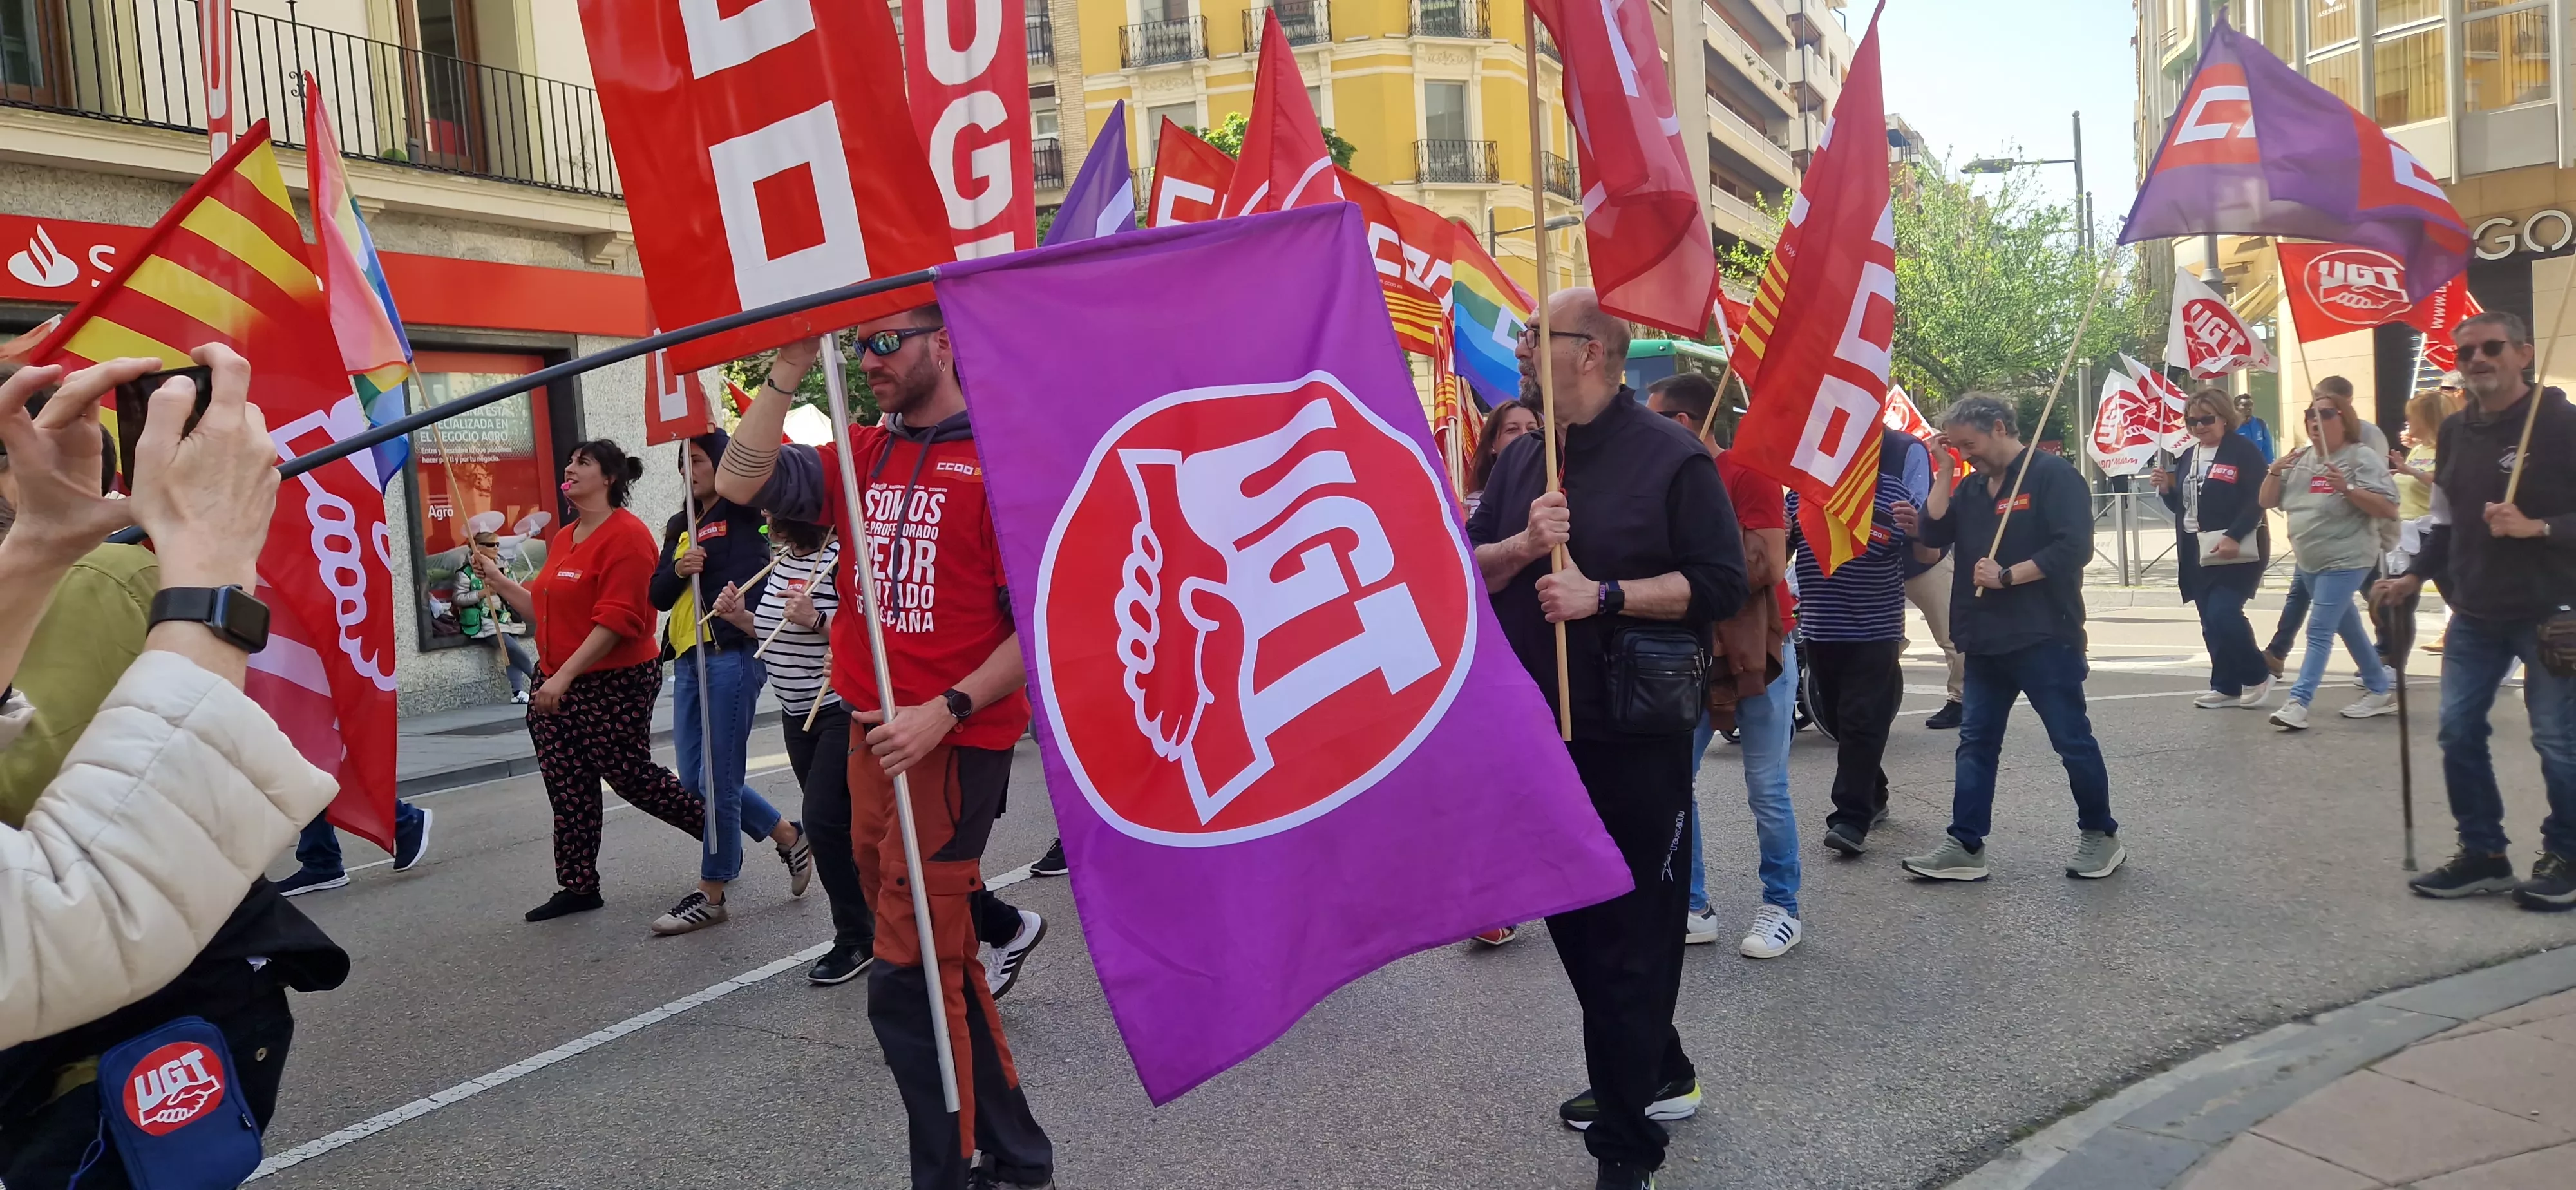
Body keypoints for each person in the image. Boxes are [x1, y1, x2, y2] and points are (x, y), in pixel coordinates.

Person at [0, 350, 350, 1186]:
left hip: (157, 998)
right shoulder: (140, 576)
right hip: (119, 982)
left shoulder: (111, 576)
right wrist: (214, 576)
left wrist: (36, 552)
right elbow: (59, 915)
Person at [721, 315, 1054, 1190]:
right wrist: (790, 365)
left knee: (905, 977)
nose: (867, 362)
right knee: (936, 961)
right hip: (870, 735)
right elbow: (740, 479)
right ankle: (1019, 1160)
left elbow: (1040, 623)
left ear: (943, 344)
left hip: (951, 744)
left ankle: (949, 1172)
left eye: (887, 342)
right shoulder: (861, 450)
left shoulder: (1003, 456)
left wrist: (945, 710)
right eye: (858, 344)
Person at [1465, 289, 1747, 1190]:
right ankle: (1649, 1065)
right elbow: (1468, 564)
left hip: (1636, 734)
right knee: (1577, 922)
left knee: (1633, 929)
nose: (1518, 351)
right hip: (1536, 731)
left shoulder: (1673, 458)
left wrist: (1607, 595)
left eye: (1535, 338)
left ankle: (1627, 1144)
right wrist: (1520, 544)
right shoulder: (1522, 462)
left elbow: (1719, 582)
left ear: (1591, 351)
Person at [473, 440, 735, 924]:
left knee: (632, 778)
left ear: (609, 478)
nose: (569, 469)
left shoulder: (627, 536)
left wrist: (565, 678)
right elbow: (543, 610)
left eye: (582, 463)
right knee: (568, 785)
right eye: (569, 460)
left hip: (612, 681)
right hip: (556, 679)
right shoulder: (564, 537)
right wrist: (499, 581)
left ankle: (723, 842)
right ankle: (577, 885)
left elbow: (617, 621)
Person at [2379, 312, 2576, 909]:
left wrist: (2539, 527)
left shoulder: (2563, 424)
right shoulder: (2459, 431)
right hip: (2474, 611)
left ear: (2523, 353)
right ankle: (2483, 854)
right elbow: (2442, 519)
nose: (2478, 359)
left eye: (2492, 348)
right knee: (2458, 730)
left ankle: (2566, 854)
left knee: (2556, 740)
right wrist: (2415, 575)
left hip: (2550, 613)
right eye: (2467, 352)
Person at [1904, 395, 2123, 882]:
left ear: (2000, 428)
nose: (1965, 454)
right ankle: (1965, 843)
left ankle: (2100, 834)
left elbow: (2073, 547)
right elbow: (1933, 530)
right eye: (1956, 446)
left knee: (2071, 740)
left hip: (2044, 634)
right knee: (1976, 743)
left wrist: (2008, 576)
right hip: (1984, 639)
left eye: (1969, 444)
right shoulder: (1972, 487)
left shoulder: (2051, 475)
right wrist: (1943, 472)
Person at [1645, 374, 1801, 960]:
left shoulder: (1747, 471)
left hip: (1756, 651)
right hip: (1690, 653)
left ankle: (1782, 907)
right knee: (1672, 782)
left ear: (1682, 423)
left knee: (1766, 786)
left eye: (1654, 416)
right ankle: (1693, 903)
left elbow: (1768, 563)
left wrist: (1690, 558)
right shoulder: (1669, 479)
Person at [647, 430, 812, 935]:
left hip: (733, 654)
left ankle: (712, 892)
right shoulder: (682, 523)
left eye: (696, 459)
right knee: (697, 780)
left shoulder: (743, 514)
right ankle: (788, 835)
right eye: (681, 461)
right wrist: (680, 566)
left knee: (720, 778)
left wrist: (703, 426)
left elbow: (753, 472)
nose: (686, 469)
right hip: (687, 660)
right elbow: (656, 594)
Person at [723, 513, 873, 982]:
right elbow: (772, 631)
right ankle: (875, 923)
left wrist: (819, 620)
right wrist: (739, 618)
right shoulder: (786, 560)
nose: (766, 519)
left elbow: (871, 635)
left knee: (825, 824)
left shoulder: (842, 561)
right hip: (795, 713)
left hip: (835, 708)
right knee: (840, 829)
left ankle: (855, 938)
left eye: (774, 509)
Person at [1795, 424, 1929, 859]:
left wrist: (1918, 533)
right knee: (1838, 721)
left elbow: (1927, 554)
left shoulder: (1893, 493)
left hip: (1876, 631)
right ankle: (1875, 793)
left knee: (1859, 720)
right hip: (1820, 628)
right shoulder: (1802, 494)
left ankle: (1850, 819)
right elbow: (1778, 551)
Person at [2258, 386, 2399, 730]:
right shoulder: (2302, 457)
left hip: (2348, 556)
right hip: (2310, 558)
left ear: (2344, 420)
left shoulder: (2360, 457)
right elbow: (2266, 501)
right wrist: (2275, 471)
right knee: (2347, 626)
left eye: (2325, 414)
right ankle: (2380, 687)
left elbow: (2389, 507)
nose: (2315, 422)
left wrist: (2347, 488)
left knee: (2319, 629)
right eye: (2310, 415)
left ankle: (2298, 702)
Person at [2151, 387, 2272, 709]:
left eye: (2207, 419)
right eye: (2192, 422)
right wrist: (2166, 490)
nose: (2200, 427)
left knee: (2224, 613)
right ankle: (2225, 685)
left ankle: (2259, 672)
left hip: (2237, 547)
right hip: (2198, 548)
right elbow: (2185, 506)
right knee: (2209, 620)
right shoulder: (2189, 456)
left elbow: (2257, 500)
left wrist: (2234, 534)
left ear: (2224, 418)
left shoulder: (2242, 451)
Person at [2389, 391, 2448, 654]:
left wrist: (2409, 470)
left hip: (2435, 531)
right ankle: (2393, 661)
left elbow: (2442, 481)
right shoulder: (2418, 450)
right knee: (2400, 600)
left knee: (2456, 596)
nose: (2408, 423)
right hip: (2406, 533)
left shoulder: (2449, 447)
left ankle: (2505, 652)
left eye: (2411, 417)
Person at [1464, 397, 1542, 518]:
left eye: (1531, 429)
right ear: (1492, 445)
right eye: (1512, 430)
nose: (1525, 435)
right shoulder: (1474, 507)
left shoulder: (1557, 493)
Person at [2235, 392, 2276, 462]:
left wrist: (2270, 464)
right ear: (2236, 408)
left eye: (2251, 405)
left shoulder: (2260, 423)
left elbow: (2267, 447)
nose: (2250, 408)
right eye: (2245, 405)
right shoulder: (2232, 426)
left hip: (2259, 466)